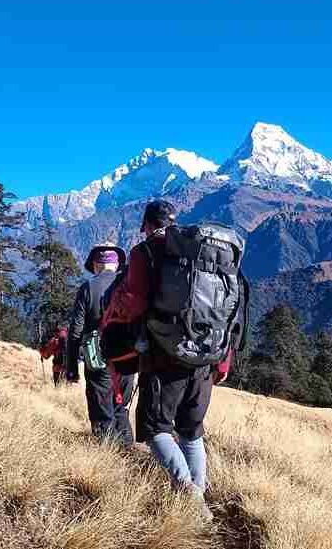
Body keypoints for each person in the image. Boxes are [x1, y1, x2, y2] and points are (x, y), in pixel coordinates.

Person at [102, 200, 234, 522]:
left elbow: (135, 304)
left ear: (145, 224)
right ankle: (199, 498)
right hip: (204, 354)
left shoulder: (144, 252)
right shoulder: (194, 252)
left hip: (165, 356)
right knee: (191, 431)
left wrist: (118, 307)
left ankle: (189, 495)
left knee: (156, 430)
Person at [66, 242, 135, 447]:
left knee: (101, 411)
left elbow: (75, 331)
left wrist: (71, 368)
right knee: (120, 408)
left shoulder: (88, 287)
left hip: (97, 355)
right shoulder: (129, 285)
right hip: (127, 357)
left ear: (96, 265)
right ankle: (127, 454)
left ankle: (107, 457)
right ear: (117, 265)